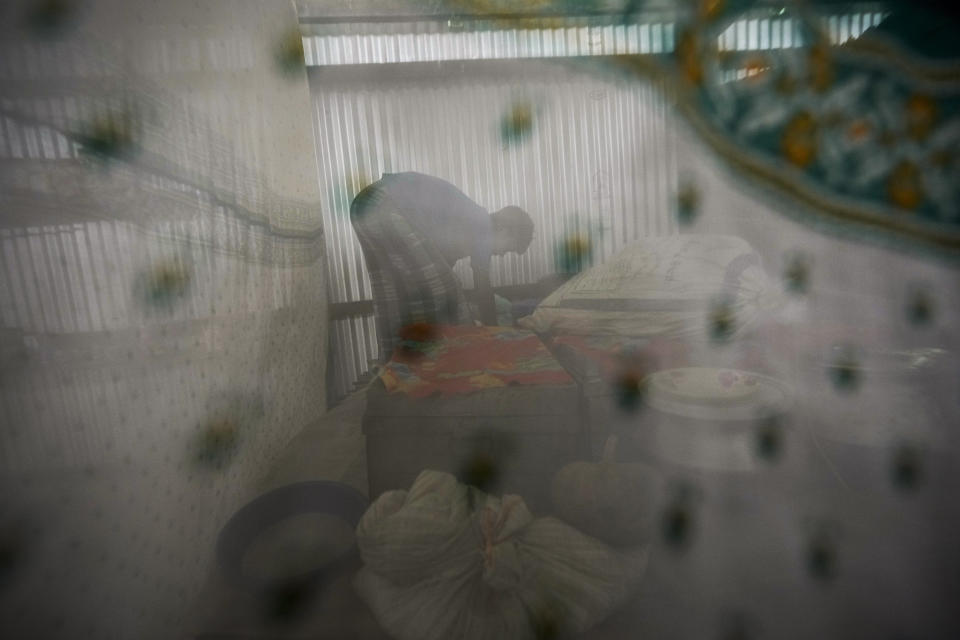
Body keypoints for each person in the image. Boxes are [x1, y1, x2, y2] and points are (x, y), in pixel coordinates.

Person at [350, 172, 534, 361]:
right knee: (449, 290)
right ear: (504, 229)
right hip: (386, 205)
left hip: (363, 204)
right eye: (509, 248)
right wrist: (494, 335)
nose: (502, 255)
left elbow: (438, 268)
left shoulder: (462, 227)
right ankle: (461, 359)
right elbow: (483, 289)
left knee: (390, 292)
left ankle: (390, 362)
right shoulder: (483, 224)